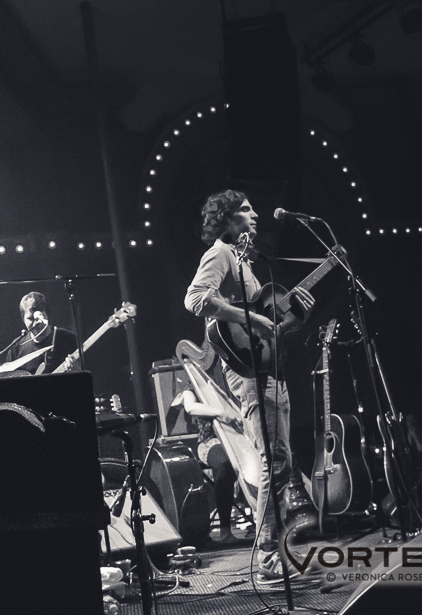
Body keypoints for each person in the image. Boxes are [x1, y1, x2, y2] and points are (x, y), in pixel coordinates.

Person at [184, 189, 315, 581]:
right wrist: (249, 318)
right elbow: (194, 299)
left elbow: (272, 325)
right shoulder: (221, 254)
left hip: (271, 369)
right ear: (225, 220)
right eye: (244, 210)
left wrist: (297, 316)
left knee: (282, 463)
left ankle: (275, 554)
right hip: (249, 375)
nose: (255, 214)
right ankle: (269, 559)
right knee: (275, 464)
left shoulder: (248, 264)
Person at [171, 388, 242, 544]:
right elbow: (191, 407)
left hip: (237, 441)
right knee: (225, 464)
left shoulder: (232, 384)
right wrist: (221, 413)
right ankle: (225, 530)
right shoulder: (192, 389)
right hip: (210, 443)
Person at [0, 292, 79, 375]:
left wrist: (77, 370)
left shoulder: (67, 339)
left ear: (47, 315)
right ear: (23, 319)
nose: (36, 323)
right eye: (30, 319)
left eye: (40, 317)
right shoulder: (15, 348)